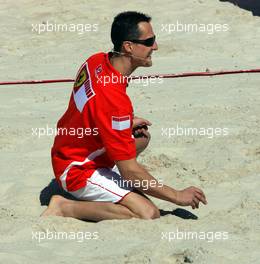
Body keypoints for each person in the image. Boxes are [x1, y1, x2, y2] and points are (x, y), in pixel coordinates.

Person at [41, 11, 207, 221]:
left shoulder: (96, 61)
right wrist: (176, 195)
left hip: (68, 147)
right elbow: (129, 170)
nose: (155, 47)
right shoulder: (114, 101)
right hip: (77, 169)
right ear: (128, 47)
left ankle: (115, 185)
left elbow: (92, 109)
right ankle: (64, 207)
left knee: (141, 137)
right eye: (149, 42)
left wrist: (125, 122)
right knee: (148, 212)